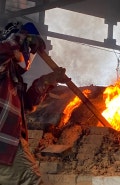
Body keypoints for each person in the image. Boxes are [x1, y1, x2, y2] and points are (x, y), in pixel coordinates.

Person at [0, 21, 69, 185]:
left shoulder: (12, 77)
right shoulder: (3, 67)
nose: (30, 56)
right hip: (4, 145)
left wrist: (47, 81)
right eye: (30, 50)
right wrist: (24, 37)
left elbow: (27, 105)